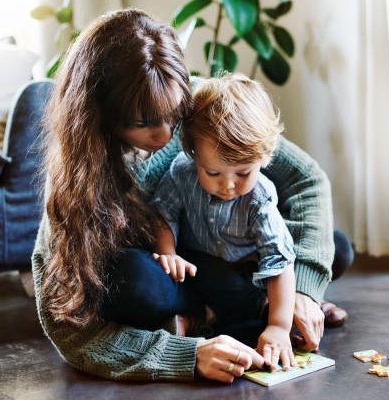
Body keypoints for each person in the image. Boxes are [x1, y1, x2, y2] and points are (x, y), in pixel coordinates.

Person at [32, 8, 352, 384]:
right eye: (145, 123)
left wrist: (303, 290)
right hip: (177, 271)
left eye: (174, 114)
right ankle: (219, 315)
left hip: (240, 252)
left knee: (335, 247)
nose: (167, 134)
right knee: (131, 282)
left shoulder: (203, 105)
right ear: (101, 115)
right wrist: (188, 356)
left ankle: (253, 308)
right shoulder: (77, 172)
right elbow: (69, 330)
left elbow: (306, 180)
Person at [150, 74, 297, 371]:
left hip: (245, 272)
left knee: (332, 254)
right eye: (213, 173)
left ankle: (284, 312)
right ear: (193, 154)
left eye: (243, 174)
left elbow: (278, 263)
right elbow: (162, 214)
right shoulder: (182, 172)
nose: (228, 185)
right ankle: (210, 315)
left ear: (263, 158)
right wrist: (168, 253)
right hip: (199, 266)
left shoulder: (260, 198)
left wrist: (279, 327)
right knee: (178, 274)